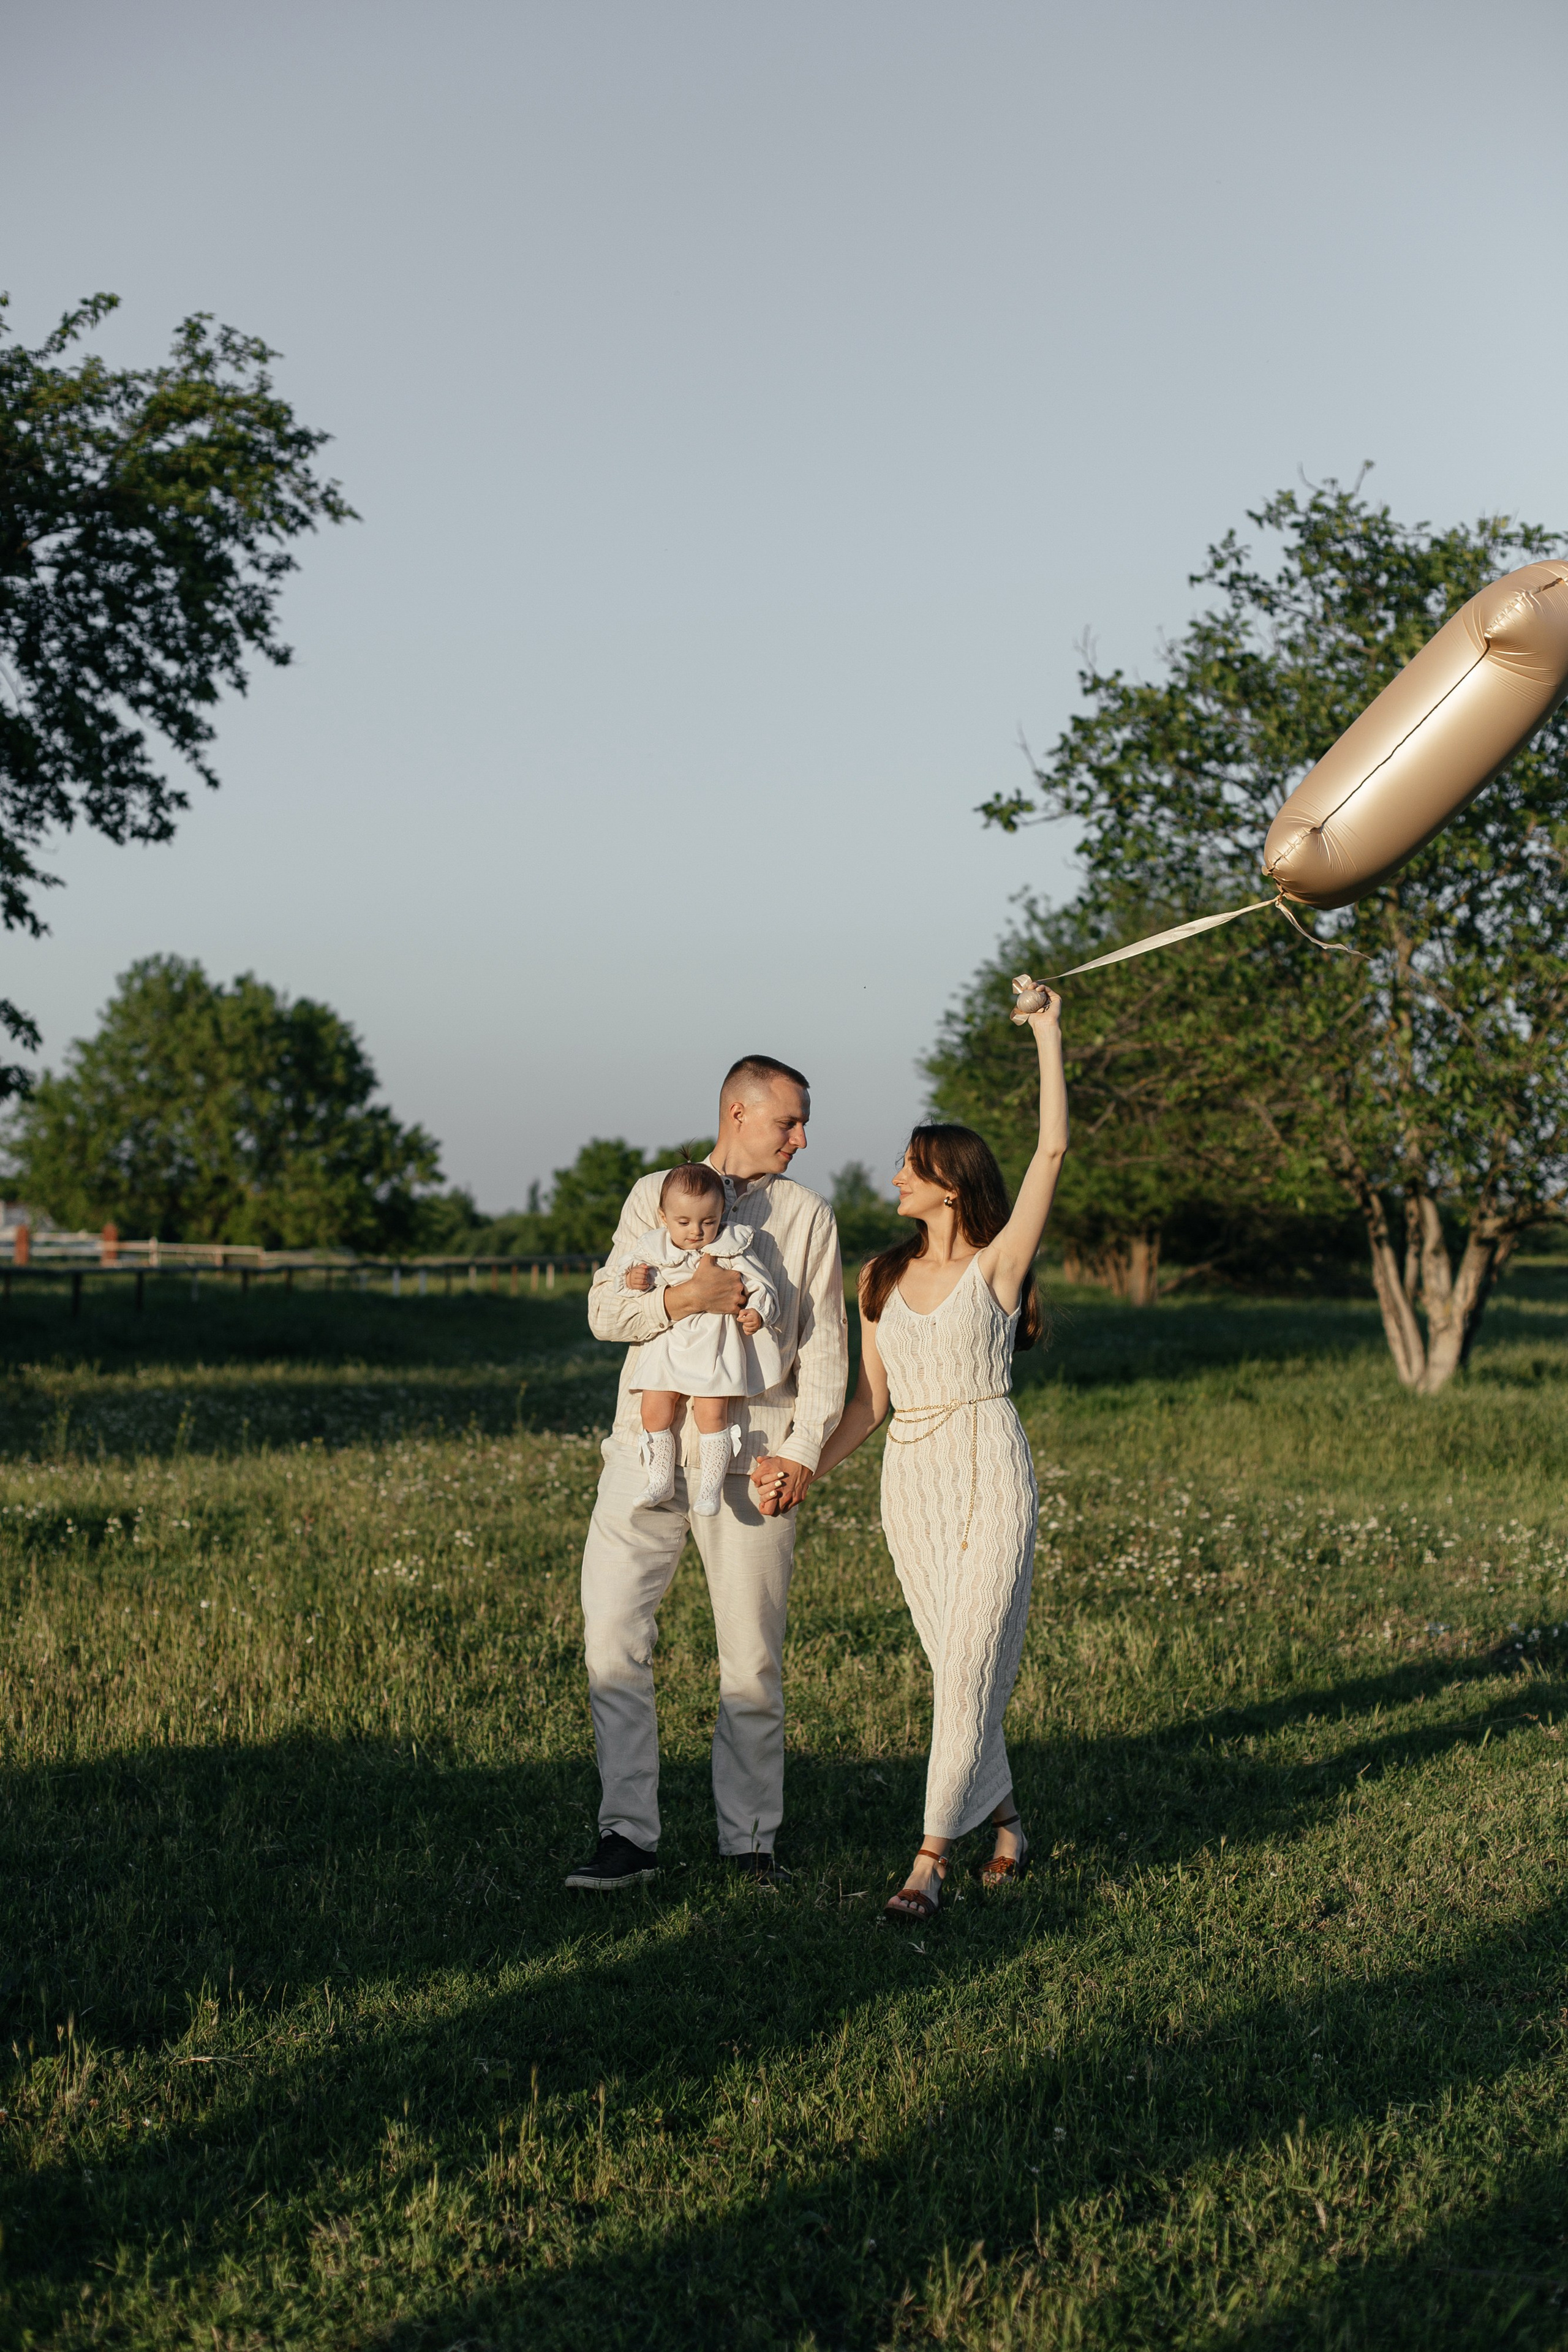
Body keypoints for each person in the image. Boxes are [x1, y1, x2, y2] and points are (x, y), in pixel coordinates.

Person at [810, 992, 1068, 1920]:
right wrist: (807, 1470)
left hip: (989, 1466)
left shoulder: (997, 1266)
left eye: (910, 1169)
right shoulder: (878, 1276)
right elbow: (868, 1403)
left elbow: (1050, 1152)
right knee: (957, 1666)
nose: (894, 1180)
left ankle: (928, 1861)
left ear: (950, 1186)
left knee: (966, 1668)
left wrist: (1048, 1032)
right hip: (910, 1481)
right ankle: (1010, 1827)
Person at [565, 1055, 848, 1891]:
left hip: (752, 1458)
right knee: (612, 1639)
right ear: (738, 1113)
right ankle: (627, 1837)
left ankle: (750, 1844)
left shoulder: (806, 1216)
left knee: (751, 1659)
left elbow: (825, 1345)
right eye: (789, 1121)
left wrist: (802, 1450)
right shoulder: (653, 1196)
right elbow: (605, 1310)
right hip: (643, 1450)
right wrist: (684, 1300)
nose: (802, 1139)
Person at [616, 1158, 782, 1515]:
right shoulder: (655, 1247)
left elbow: (761, 1285)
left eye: (708, 1222)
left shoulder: (731, 1246)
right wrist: (634, 1280)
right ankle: (659, 1480)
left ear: (721, 1215)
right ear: (664, 1218)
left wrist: (758, 1311)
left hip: (714, 1342)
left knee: (712, 1414)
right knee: (653, 1409)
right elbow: (625, 1282)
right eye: (684, 1222)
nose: (696, 1231)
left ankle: (710, 1487)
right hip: (668, 1341)